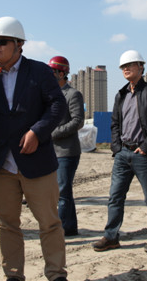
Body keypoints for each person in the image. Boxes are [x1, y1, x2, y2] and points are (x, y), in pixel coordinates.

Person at [0, 17, 68, 281]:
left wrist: (37, 132)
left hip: (36, 163)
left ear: (19, 45)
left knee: (49, 223)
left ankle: (56, 274)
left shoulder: (39, 72)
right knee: (7, 225)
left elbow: (57, 105)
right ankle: (13, 275)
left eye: (2, 42)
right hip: (1, 166)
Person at [92, 50, 147, 254]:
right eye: (123, 66)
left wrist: (146, 147)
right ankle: (111, 237)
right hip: (123, 154)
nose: (125, 69)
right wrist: (117, 148)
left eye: (130, 65)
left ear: (141, 66)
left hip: (143, 154)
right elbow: (115, 123)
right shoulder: (121, 94)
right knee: (115, 197)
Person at [48, 55, 85, 237]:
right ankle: (70, 227)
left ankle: (60, 230)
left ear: (61, 73)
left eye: (52, 72)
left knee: (62, 191)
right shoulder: (49, 94)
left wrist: (53, 133)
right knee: (63, 191)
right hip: (50, 151)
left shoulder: (72, 94)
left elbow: (78, 121)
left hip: (67, 151)